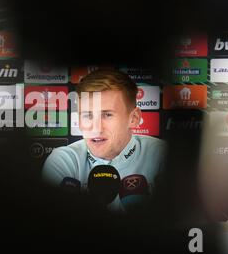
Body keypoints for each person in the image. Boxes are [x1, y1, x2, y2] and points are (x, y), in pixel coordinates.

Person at [42, 69, 167, 212]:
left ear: (134, 118)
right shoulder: (63, 161)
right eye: (88, 115)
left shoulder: (163, 155)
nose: (96, 128)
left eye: (107, 114)